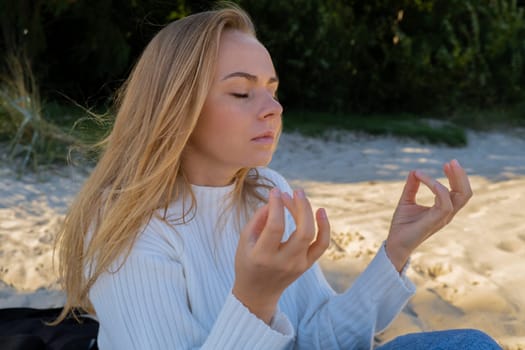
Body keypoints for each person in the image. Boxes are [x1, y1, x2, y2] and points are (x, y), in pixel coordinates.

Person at [54, 3, 502, 349]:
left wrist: (396, 251)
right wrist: (255, 300)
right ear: (175, 108)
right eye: (241, 91)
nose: (273, 109)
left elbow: (321, 340)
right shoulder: (131, 227)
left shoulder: (268, 191)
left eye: (271, 90)